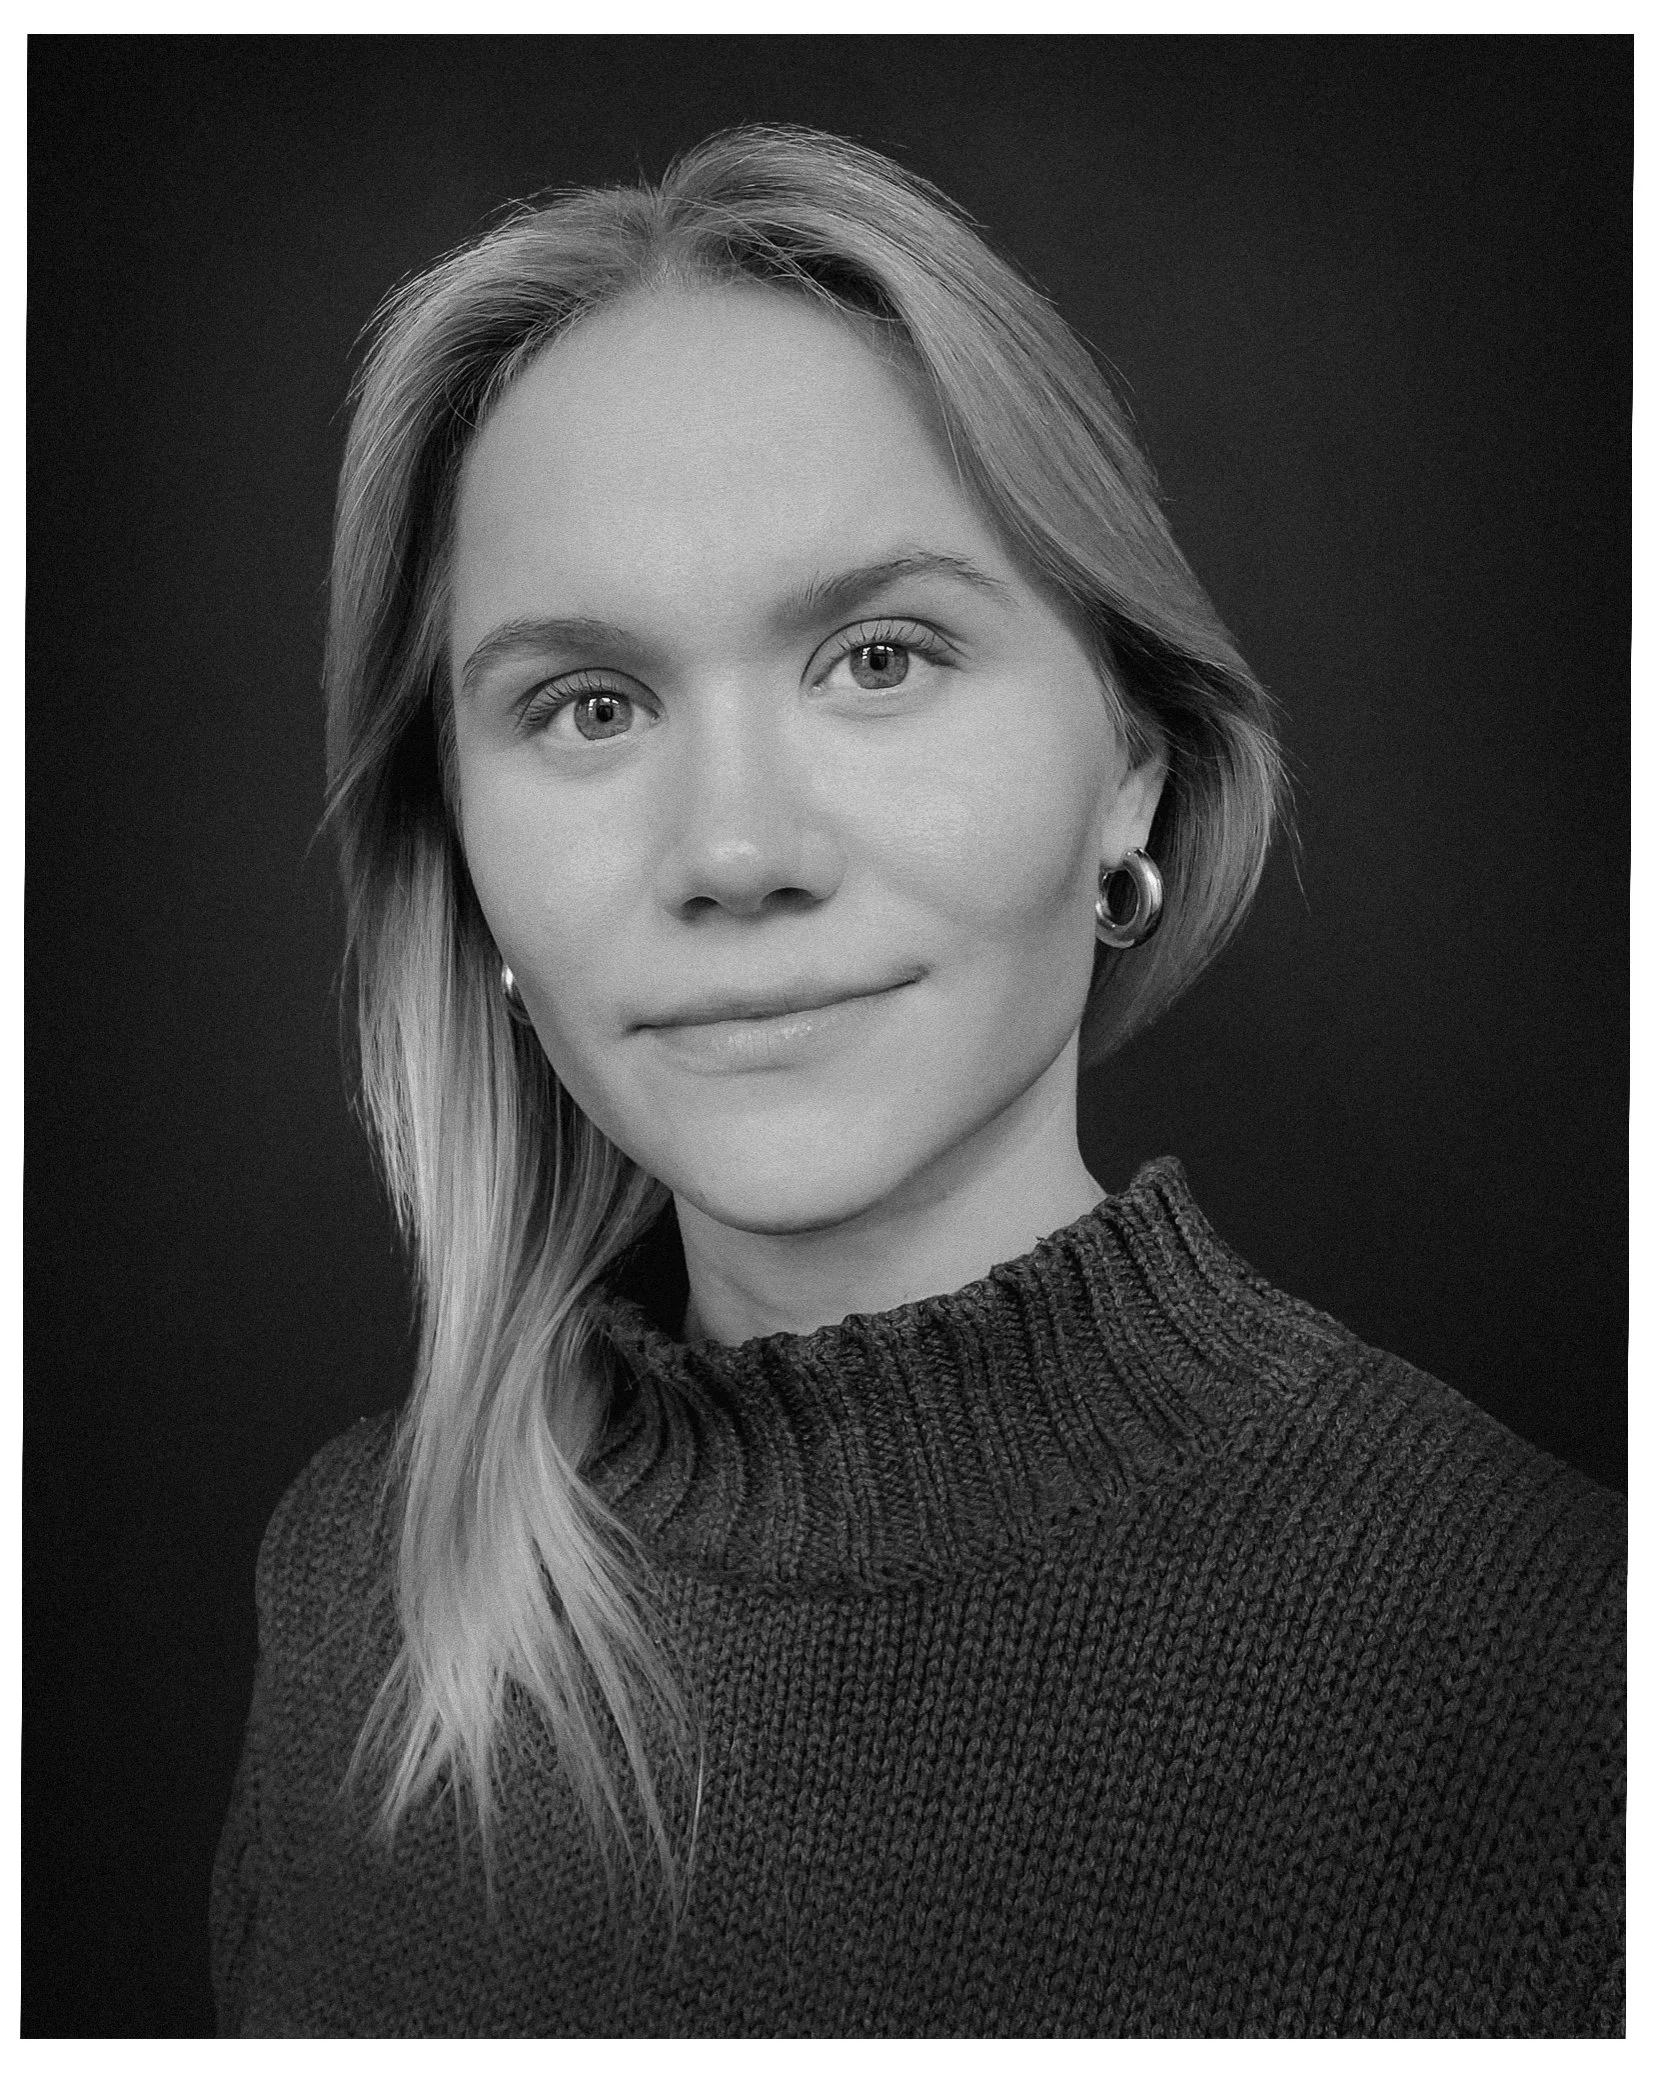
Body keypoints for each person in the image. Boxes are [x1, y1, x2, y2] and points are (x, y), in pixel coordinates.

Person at [210, 125, 1624, 2038]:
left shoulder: (1562, 1681)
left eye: (879, 658)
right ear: (459, 851)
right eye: (588, 706)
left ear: (1129, 766)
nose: (733, 850)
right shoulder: (355, 1605)